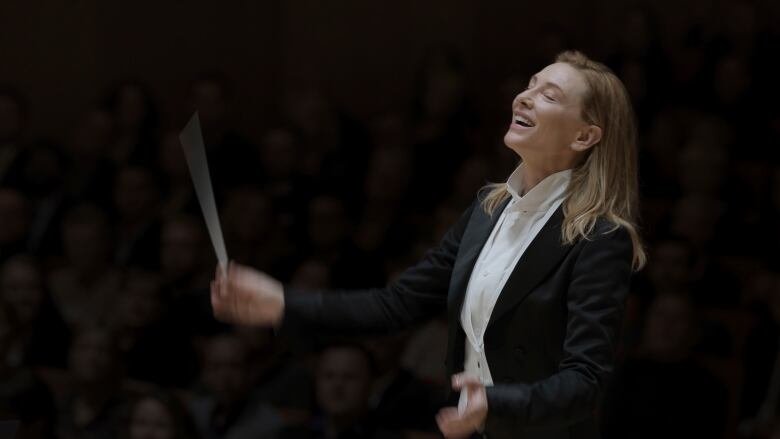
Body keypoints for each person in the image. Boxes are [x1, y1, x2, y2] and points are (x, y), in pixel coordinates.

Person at [210, 50, 646, 439]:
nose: (524, 97)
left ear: (585, 137)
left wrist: (496, 403)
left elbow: (586, 381)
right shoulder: (487, 210)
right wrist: (284, 304)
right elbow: (396, 304)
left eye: (549, 95)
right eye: (530, 85)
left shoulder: (600, 236)